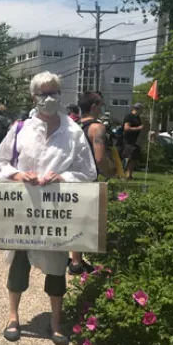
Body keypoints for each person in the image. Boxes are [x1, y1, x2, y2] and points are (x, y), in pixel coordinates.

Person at [0, 71, 96, 345]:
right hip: (24, 206)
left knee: (57, 267)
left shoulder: (73, 132)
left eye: (54, 93)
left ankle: (55, 322)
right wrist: (17, 175)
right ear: (33, 97)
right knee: (19, 262)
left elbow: (87, 172)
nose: (49, 98)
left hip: (57, 209)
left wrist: (62, 177)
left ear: (61, 94)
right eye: (43, 94)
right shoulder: (21, 129)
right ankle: (13, 317)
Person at [68, 92, 112, 275]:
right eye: (100, 104)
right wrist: (113, 172)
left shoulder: (73, 126)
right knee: (85, 221)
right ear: (94, 106)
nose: (102, 107)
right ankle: (77, 263)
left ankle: (76, 259)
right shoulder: (97, 128)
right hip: (87, 179)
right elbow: (100, 158)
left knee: (75, 219)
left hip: (70, 177)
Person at [122, 103, 144, 180]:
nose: (142, 111)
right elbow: (126, 128)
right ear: (138, 109)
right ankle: (123, 173)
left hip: (136, 141)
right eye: (141, 109)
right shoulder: (129, 117)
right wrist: (138, 128)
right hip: (128, 141)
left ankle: (129, 174)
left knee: (134, 158)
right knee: (128, 157)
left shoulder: (138, 118)